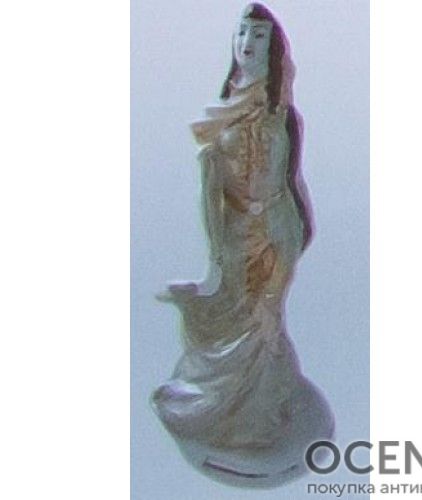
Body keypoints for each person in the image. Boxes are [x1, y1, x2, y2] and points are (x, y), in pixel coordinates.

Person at [153, 4, 331, 471]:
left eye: (258, 36)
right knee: (231, 317)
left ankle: (260, 413)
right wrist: (220, 247)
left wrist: (296, 230)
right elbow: (212, 188)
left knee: (264, 320)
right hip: (235, 238)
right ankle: (227, 410)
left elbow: (290, 181)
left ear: (273, 50)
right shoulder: (224, 114)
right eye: (242, 34)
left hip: (274, 233)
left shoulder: (282, 116)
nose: (247, 44)